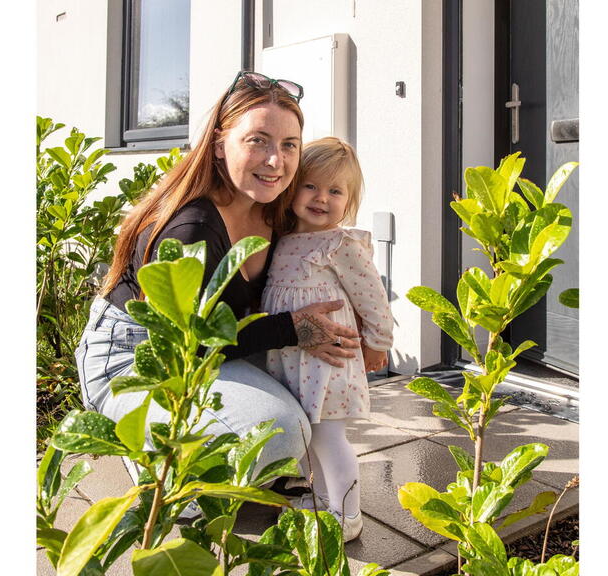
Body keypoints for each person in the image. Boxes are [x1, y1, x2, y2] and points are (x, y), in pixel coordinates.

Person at [74, 72, 361, 486]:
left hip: (222, 349)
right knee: (281, 432)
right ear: (219, 145)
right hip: (142, 356)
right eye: (257, 140)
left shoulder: (277, 211)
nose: (275, 161)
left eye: (288, 145)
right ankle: (158, 464)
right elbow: (189, 341)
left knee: (298, 407)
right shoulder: (189, 229)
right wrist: (292, 328)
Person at [260, 137, 394, 541]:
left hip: (327, 362)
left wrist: (378, 342)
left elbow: (373, 298)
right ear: (293, 187)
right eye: (311, 186)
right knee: (306, 435)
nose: (322, 199)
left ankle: (348, 513)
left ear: (349, 200)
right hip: (290, 360)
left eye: (335, 191)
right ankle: (322, 498)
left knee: (328, 436)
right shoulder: (281, 239)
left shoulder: (340, 244)